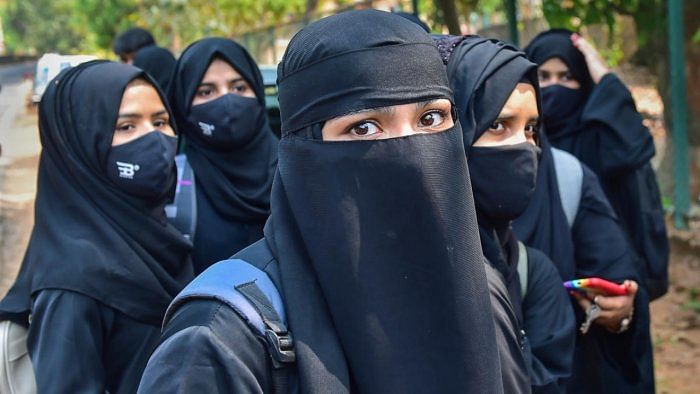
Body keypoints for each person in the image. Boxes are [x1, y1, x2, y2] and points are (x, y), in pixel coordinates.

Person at [140, 10, 524, 393]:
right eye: (364, 126)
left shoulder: (481, 292)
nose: (412, 149)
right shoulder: (220, 336)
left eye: (431, 118)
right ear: (304, 150)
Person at [0, 61, 193, 393]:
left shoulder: (156, 236)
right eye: (126, 126)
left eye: (161, 121)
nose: (154, 138)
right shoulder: (73, 284)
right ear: (79, 146)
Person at [441, 34, 576, 393]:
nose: (524, 147)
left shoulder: (533, 273)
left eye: (531, 129)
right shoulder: (394, 272)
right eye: (499, 125)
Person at [525, 29, 669, 301]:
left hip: (605, 275)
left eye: (567, 77)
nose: (554, 87)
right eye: (543, 77)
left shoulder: (598, 134)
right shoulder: (518, 136)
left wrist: (604, 77)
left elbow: (632, 148)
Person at [168, 38, 278, 274]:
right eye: (206, 91)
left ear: (257, 92)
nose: (227, 101)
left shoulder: (298, 170)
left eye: (239, 88)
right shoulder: (171, 185)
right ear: (183, 104)